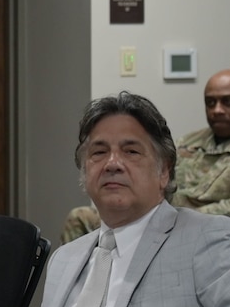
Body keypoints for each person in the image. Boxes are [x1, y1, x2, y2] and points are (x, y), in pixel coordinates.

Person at [27, 92, 230, 307]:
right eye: (98, 152)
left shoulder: (206, 237)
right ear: (84, 171)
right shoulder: (64, 258)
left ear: (164, 171)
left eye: (131, 151)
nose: (112, 164)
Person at [61, 69, 230, 242]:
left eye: (226, 102)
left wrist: (181, 215)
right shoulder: (189, 141)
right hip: (154, 213)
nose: (217, 110)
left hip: (198, 223)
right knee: (79, 217)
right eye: (210, 103)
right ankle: (88, 266)